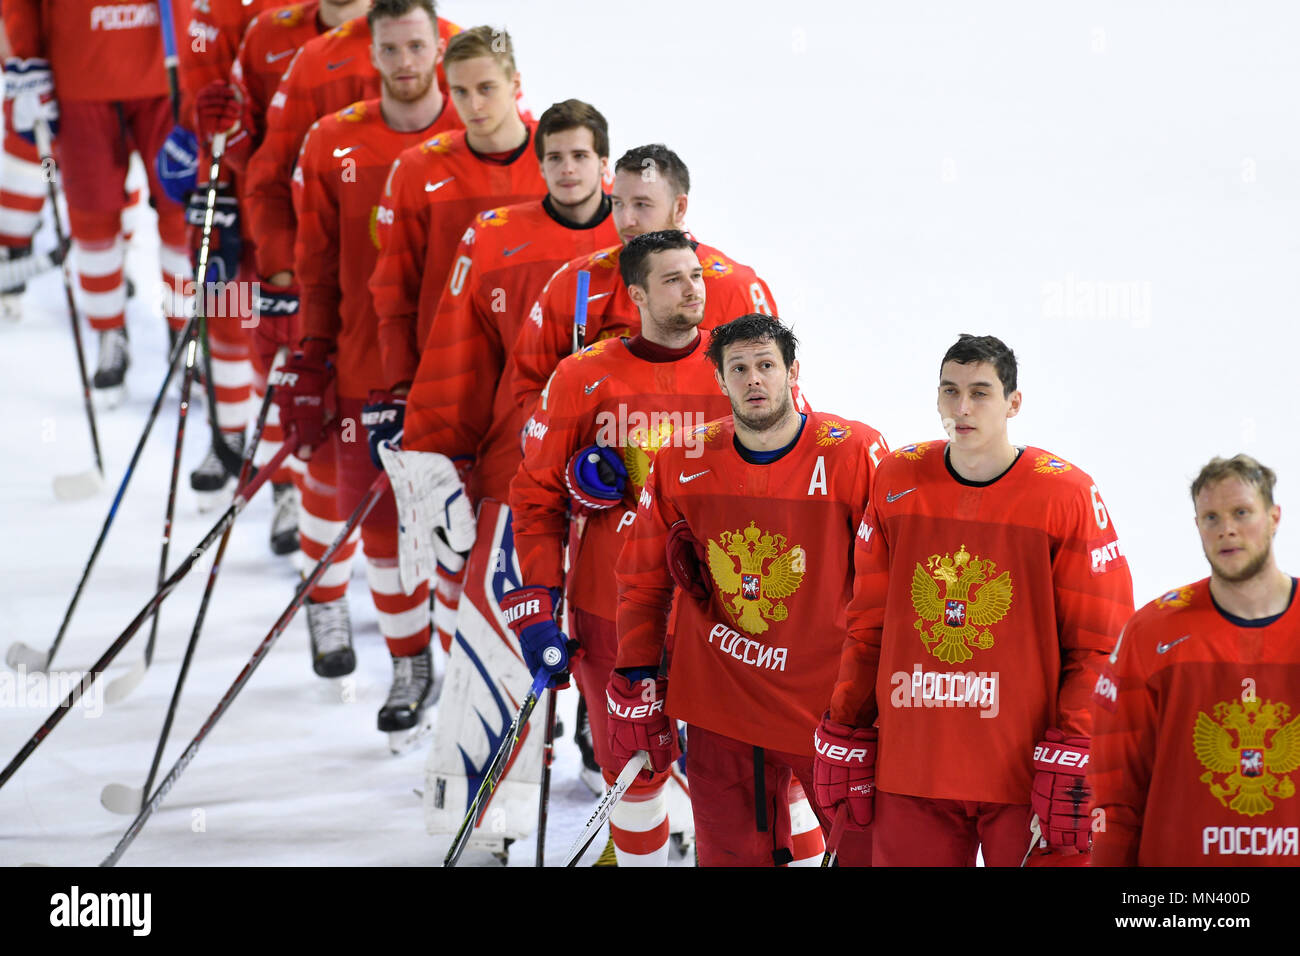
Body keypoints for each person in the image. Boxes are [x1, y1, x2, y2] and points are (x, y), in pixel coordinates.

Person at [817, 333, 1133, 866]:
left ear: (1014, 402)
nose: (962, 408)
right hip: (915, 768)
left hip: (1027, 772)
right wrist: (846, 721)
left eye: (981, 392)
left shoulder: (1066, 494)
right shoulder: (897, 477)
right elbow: (869, 623)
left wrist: (1078, 743)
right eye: (950, 391)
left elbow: (1101, 643)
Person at [609, 310, 887, 866]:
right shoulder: (683, 457)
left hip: (827, 710)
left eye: (766, 365)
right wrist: (635, 672)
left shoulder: (854, 452)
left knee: (871, 855)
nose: (754, 379)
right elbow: (642, 580)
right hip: (723, 706)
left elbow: (889, 587)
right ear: (719, 380)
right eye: (739, 368)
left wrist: (874, 704)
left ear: (793, 372)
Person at [272, 0, 447, 746]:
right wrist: (308, 351)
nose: (404, 61)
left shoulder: (480, 137)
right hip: (360, 366)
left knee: (458, 537)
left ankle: (465, 673)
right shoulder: (332, 140)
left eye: (416, 45)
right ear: (368, 53)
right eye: (390, 49)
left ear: (438, 45)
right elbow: (313, 262)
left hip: (458, 378)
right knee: (372, 519)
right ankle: (409, 662)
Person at [1091, 454, 1300, 866]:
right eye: (1211, 517)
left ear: (1274, 517)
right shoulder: (1152, 632)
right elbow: (1116, 790)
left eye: (1242, 512)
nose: (1227, 529)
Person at [3, 0, 190, 404]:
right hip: (80, 71)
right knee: (92, 217)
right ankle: (109, 330)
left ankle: (186, 331)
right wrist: (25, 59)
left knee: (183, 214)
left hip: (169, 69)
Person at [510, 143, 778, 416]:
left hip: (706, 451)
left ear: (680, 208)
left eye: (641, 205)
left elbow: (775, 395)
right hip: (602, 448)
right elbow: (530, 383)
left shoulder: (736, 287)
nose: (626, 219)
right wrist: (565, 440)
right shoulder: (577, 280)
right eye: (617, 204)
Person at [369, 24, 542, 398]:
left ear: (515, 83)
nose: (473, 105)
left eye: (486, 88)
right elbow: (395, 291)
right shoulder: (417, 169)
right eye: (460, 92)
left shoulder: (562, 159)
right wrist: (399, 387)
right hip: (448, 381)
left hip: (541, 379)